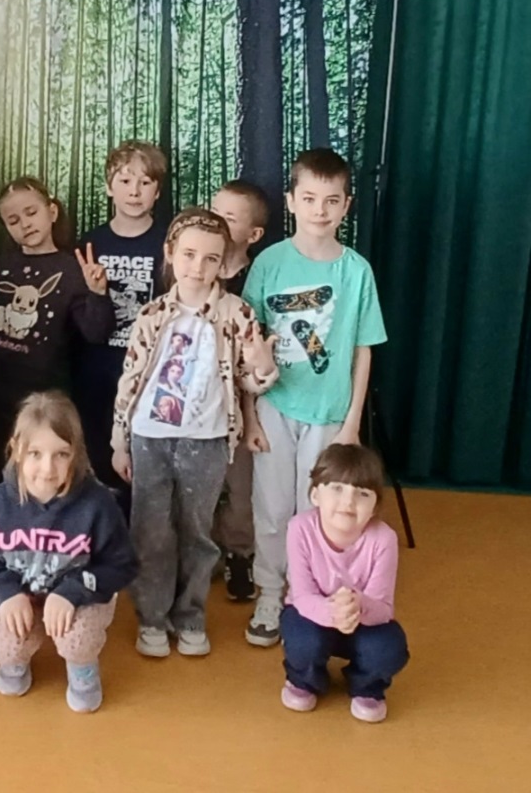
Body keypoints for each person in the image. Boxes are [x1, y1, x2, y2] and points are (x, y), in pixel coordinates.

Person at [111, 209, 278, 658]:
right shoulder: (152, 315)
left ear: (223, 263)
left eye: (210, 259)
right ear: (170, 253)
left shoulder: (237, 313)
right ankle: (152, 618)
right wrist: (119, 441)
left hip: (206, 440)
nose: (197, 267)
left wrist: (263, 366)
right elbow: (130, 381)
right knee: (151, 532)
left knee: (197, 534)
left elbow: (250, 379)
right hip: (149, 437)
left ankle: (190, 617)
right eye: (188, 255)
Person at [242, 149, 387, 648]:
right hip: (275, 406)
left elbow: (364, 350)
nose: (319, 210)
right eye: (308, 199)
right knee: (271, 506)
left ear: (346, 205)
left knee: (316, 511)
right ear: (290, 201)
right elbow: (248, 342)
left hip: (330, 414)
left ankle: (306, 599)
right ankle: (269, 591)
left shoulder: (357, 272)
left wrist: (352, 423)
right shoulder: (269, 263)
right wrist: (250, 415)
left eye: (331, 200)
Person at [0, 392, 137, 713]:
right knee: (4, 645)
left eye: (61, 455)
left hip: (79, 595)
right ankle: (17, 660)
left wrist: (74, 591)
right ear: (16, 450)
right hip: (22, 595)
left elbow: (122, 564)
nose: (47, 468)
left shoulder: (98, 505)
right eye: (35, 453)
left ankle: (82, 668)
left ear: (76, 455)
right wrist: (5, 592)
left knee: (78, 639)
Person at [0, 177, 114, 497]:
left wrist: (97, 293)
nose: (25, 223)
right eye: (13, 220)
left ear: (51, 212)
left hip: (43, 400)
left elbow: (96, 332)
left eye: (31, 212)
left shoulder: (72, 269)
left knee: (40, 482)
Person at [280, 444, 409, 723]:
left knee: (389, 648)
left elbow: (383, 608)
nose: (348, 502)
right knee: (302, 640)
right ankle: (305, 680)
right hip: (311, 616)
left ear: (375, 506)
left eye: (362, 493)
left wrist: (357, 606)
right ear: (315, 495)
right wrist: (334, 611)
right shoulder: (299, 528)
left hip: (362, 620)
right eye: (337, 488)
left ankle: (366, 686)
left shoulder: (384, 539)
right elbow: (302, 596)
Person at [74, 141, 169, 512]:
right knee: (100, 465)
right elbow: (87, 329)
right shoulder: (90, 244)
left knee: (147, 473)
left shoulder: (169, 244)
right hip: (99, 377)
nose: (134, 191)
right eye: (125, 181)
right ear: (108, 187)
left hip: (151, 377)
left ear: (157, 191)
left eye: (145, 182)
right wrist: (97, 293)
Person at [209, 180, 270, 601]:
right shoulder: (197, 268)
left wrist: (249, 413)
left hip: (244, 400)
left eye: (229, 218)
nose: (217, 222)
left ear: (254, 233)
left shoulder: (257, 280)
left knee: (240, 487)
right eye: (214, 212)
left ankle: (240, 554)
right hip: (200, 400)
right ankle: (204, 552)